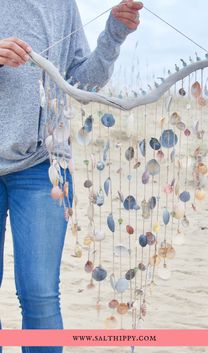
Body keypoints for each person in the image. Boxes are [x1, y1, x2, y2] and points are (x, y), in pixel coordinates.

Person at [0, 0, 143, 352]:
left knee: (40, 294)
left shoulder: (61, 4)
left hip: (42, 165)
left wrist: (115, 32)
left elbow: (81, 81)